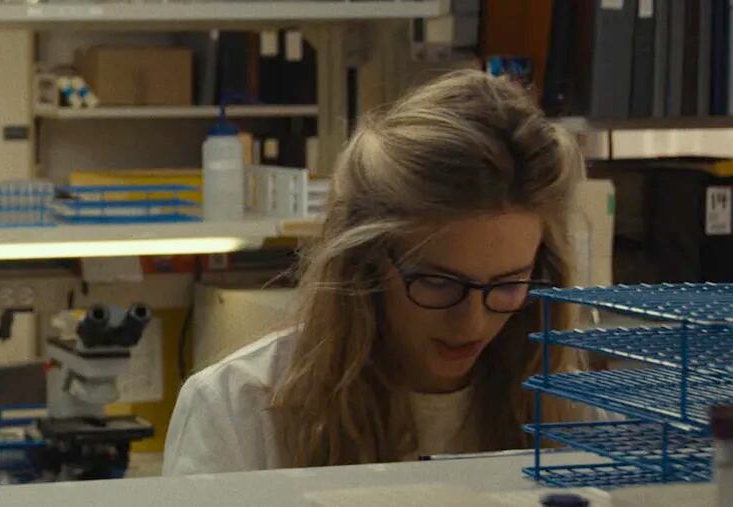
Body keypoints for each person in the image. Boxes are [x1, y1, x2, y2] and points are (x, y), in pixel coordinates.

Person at [163, 69, 587, 475]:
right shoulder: (237, 411)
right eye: (437, 283)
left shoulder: (572, 409)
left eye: (508, 283)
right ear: (366, 262)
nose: (472, 322)